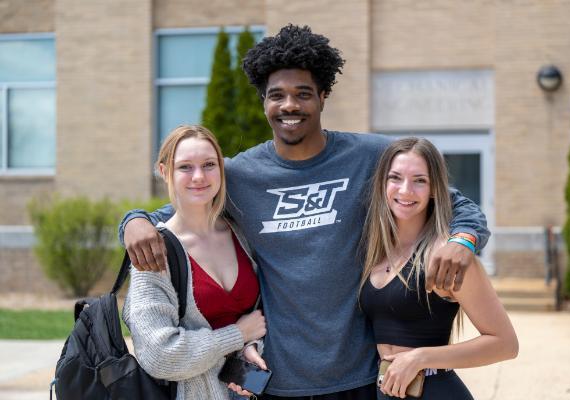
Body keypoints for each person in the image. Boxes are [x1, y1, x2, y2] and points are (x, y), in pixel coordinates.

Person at [120, 25, 490, 399]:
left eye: (303, 94)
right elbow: (181, 208)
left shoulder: (370, 158)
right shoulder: (239, 175)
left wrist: (463, 240)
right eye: (276, 95)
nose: (290, 106)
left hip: (358, 378)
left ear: (323, 97)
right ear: (264, 102)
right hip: (274, 381)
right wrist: (133, 220)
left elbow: (450, 201)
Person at [359, 138, 518, 399]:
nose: (406, 190)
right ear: (382, 184)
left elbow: (505, 344)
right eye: (395, 178)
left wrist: (420, 357)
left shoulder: (448, 256)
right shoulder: (375, 252)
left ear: (435, 188)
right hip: (384, 390)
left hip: (435, 389)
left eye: (419, 180)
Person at [122, 125, 267, 400]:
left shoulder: (241, 235)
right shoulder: (155, 252)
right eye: (185, 167)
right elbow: (159, 354)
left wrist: (249, 346)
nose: (199, 176)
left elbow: (257, 318)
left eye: (209, 165)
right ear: (165, 172)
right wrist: (236, 335)